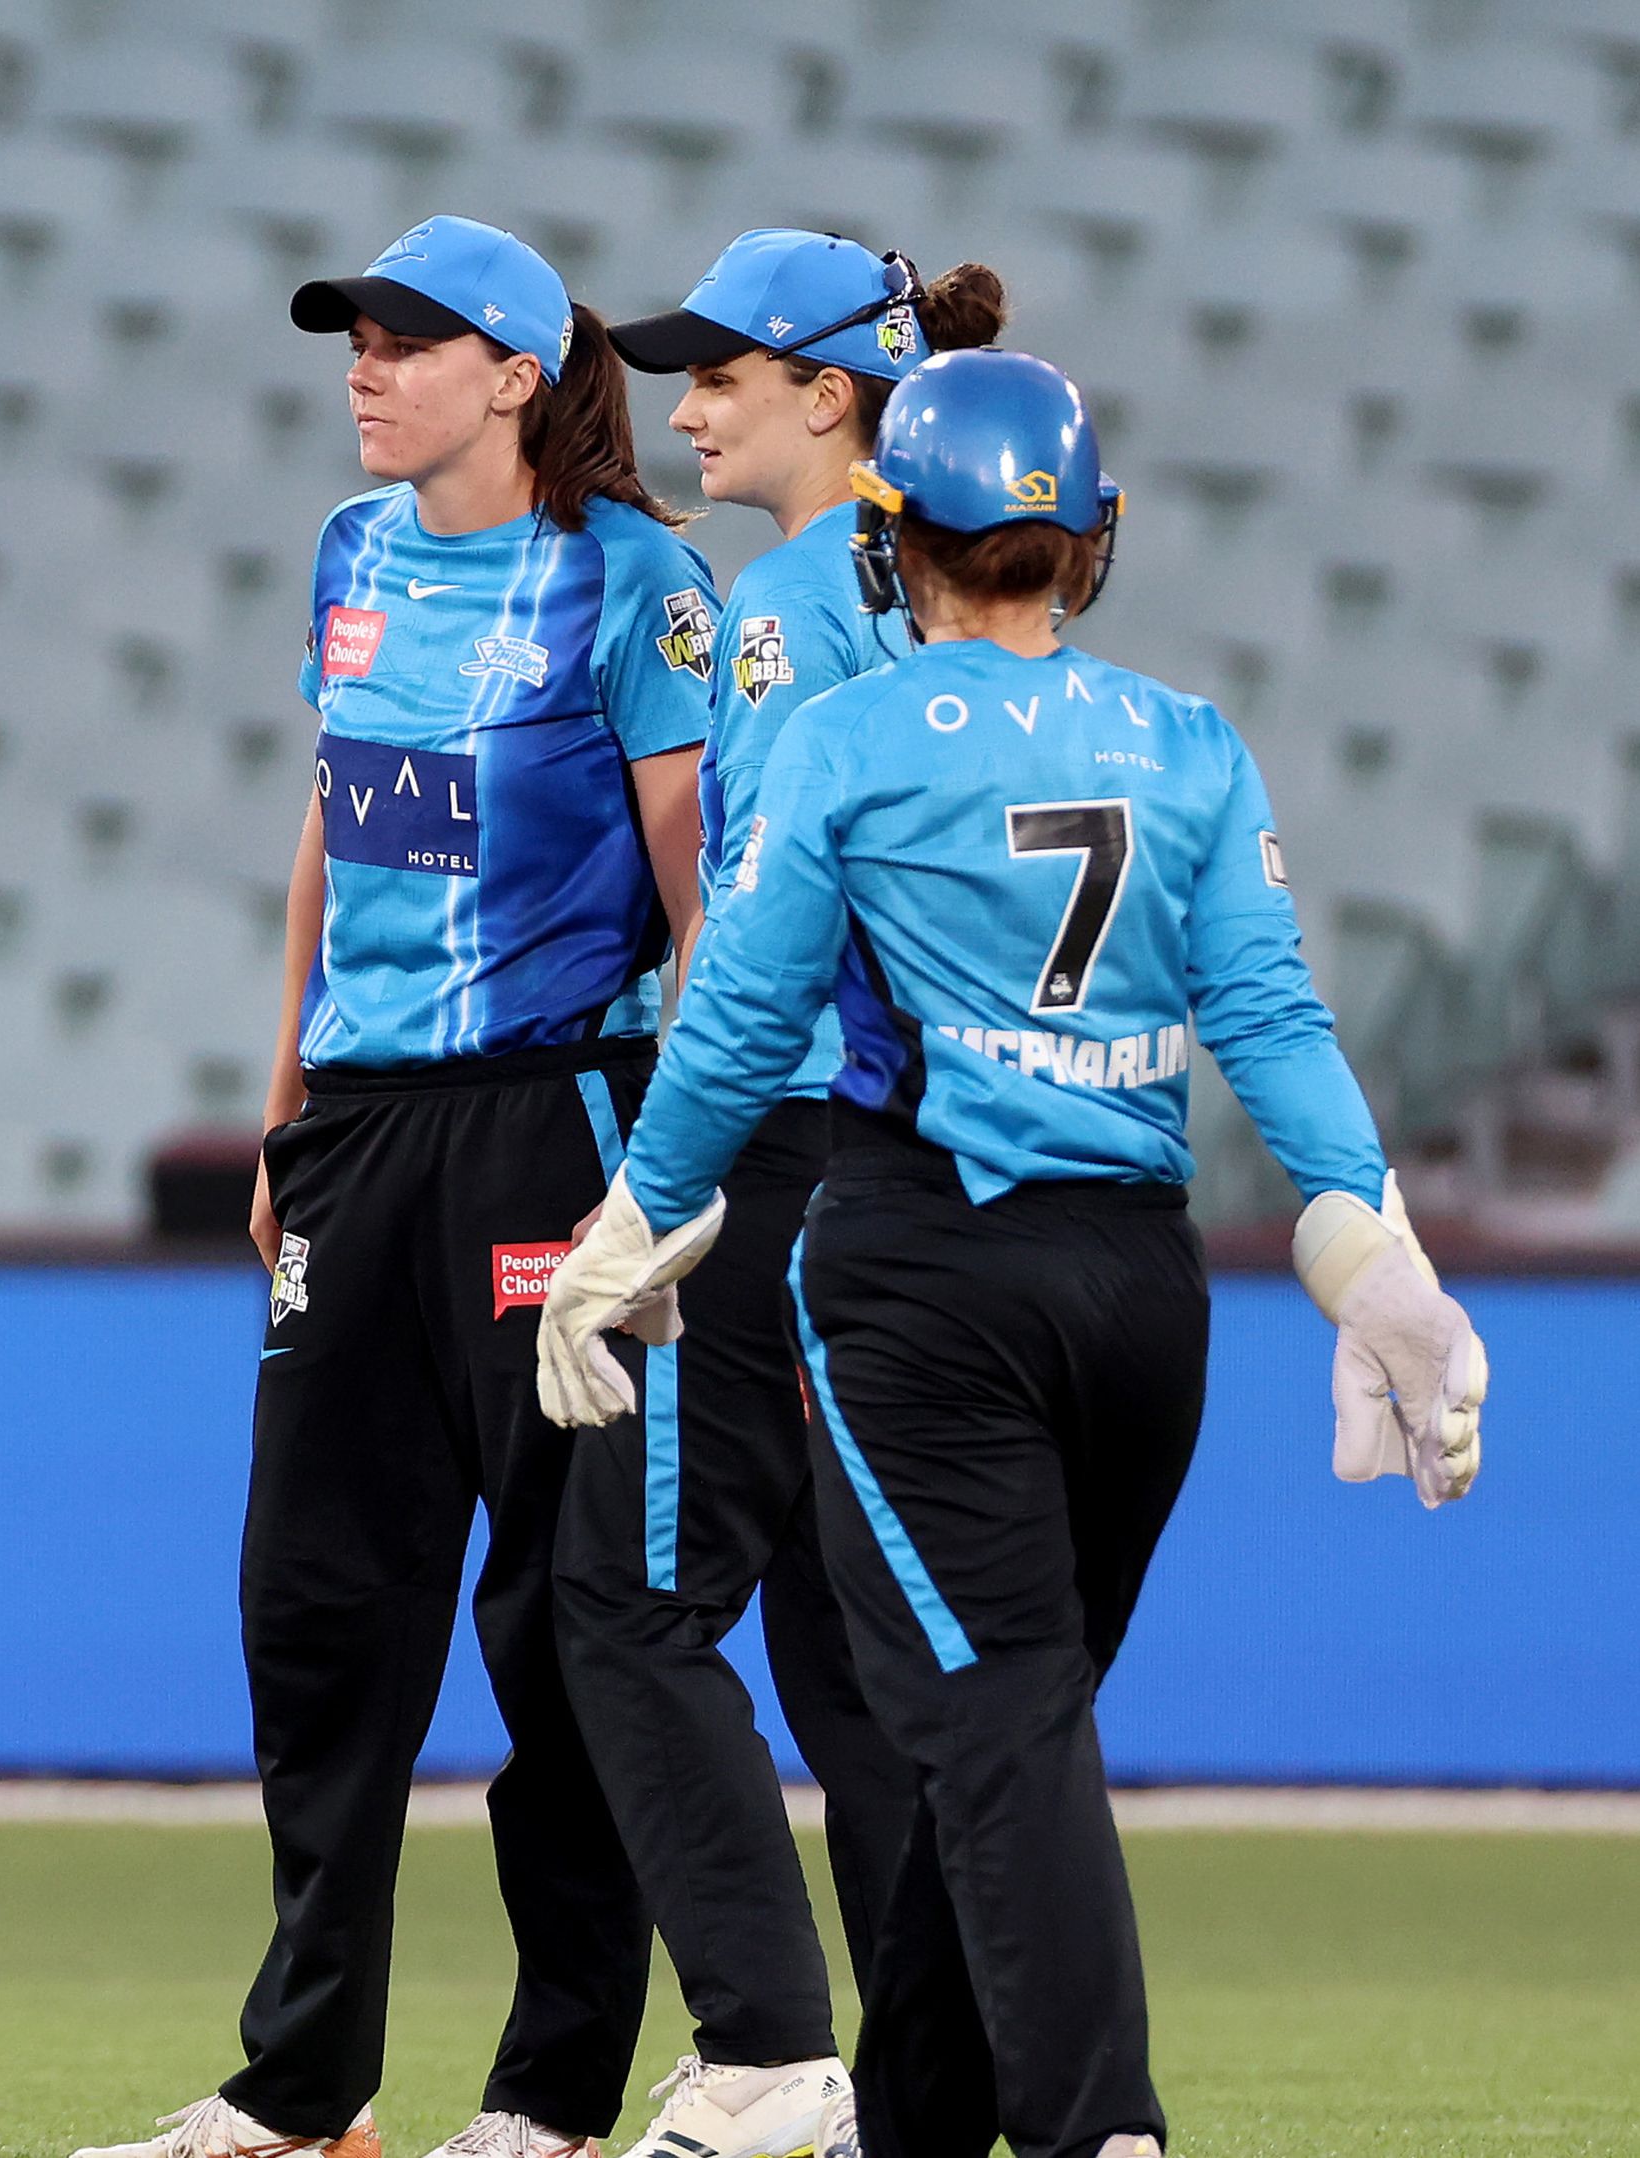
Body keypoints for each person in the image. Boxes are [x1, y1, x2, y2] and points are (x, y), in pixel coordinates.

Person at [535, 347, 1487, 2158]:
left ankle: (1096, 2131)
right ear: (1090, 537)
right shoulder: (1191, 743)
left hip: (925, 1280)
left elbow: (738, 1021)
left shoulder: (850, 738)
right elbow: (1270, 1019)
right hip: (1144, 1296)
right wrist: (1371, 1243)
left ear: (891, 539)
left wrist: (633, 1222)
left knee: (1001, 1737)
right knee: (1011, 1726)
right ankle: (918, 2129)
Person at [74, 215, 721, 2158]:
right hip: (361, 1135)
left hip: (556, 1123)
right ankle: (301, 2090)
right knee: (316, 1604)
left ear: (516, 375)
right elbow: (330, 831)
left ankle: (546, 2091)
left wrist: (679, 1180)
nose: (362, 365)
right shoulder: (352, 559)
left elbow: (705, 907)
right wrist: (284, 1107)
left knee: (552, 1621)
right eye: (352, 336)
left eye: (406, 340)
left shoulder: (633, 582)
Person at [545, 231, 1010, 2158]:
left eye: (726, 368)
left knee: (629, 1602)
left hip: (776, 1141)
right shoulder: (965, 592)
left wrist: (656, 1191)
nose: (687, 402)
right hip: (945, 1164)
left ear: (836, 391)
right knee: (858, 1648)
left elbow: (755, 919)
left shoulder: (790, 599)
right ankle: (938, 2086)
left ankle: (761, 2058)